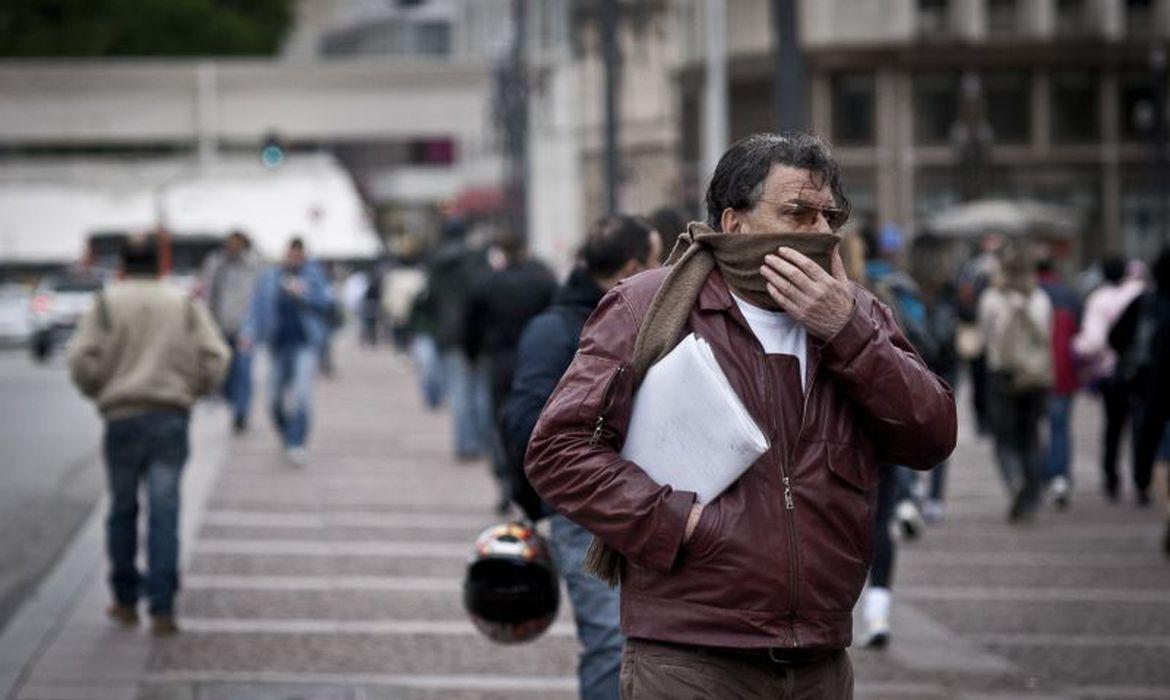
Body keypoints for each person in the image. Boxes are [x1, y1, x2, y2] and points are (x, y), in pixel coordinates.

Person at [525, 132, 957, 698]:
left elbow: (931, 434)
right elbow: (558, 450)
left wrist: (849, 333)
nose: (822, 232)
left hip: (820, 657)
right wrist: (679, 523)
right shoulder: (648, 306)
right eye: (797, 213)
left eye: (831, 216)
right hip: (691, 655)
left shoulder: (860, 311)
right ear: (733, 223)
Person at [502, 215, 661, 700]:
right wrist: (546, 499)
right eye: (659, 263)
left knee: (648, 645)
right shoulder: (556, 330)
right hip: (586, 510)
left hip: (645, 503)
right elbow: (524, 424)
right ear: (633, 268)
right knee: (612, 643)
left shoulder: (644, 320)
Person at [67, 237, 230, 636]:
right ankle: (162, 606)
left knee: (122, 509)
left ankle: (124, 601)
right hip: (170, 416)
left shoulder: (107, 303)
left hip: (122, 416)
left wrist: (99, 391)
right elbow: (217, 356)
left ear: (122, 266)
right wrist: (195, 390)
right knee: (166, 511)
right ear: (159, 266)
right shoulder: (182, 304)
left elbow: (79, 357)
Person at [464, 231, 558, 513]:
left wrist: (472, 354)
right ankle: (533, 479)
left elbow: (471, 324)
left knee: (500, 423)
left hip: (499, 359)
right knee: (536, 419)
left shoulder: (489, 283)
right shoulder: (544, 282)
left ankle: (505, 479)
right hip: (536, 358)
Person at [241, 238, 335, 467]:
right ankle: (286, 433)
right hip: (277, 344)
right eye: (290, 255)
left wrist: (303, 293)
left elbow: (327, 305)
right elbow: (256, 306)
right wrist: (249, 332)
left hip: (304, 343)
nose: (293, 259)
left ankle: (297, 441)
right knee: (273, 399)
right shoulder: (270, 276)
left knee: (302, 395)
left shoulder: (314, 276)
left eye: (298, 256)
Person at [978, 242, 1053, 522]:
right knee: (1031, 436)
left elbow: (985, 339)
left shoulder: (991, 298)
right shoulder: (1040, 298)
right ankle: (1032, 494)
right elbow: (1046, 336)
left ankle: (1014, 482)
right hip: (1035, 376)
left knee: (1004, 438)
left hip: (1003, 375)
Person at [1073, 257, 1146, 502]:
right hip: (1141, 372)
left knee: (1113, 427)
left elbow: (1092, 340)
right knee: (1140, 427)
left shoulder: (1099, 299)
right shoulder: (1140, 293)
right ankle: (1141, 480)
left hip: (1110, 373)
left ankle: (1111, 478)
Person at [1109, 248, 1170, 513]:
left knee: (1146, 434)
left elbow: (1115, 337)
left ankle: (1146, 484)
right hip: (1150, 382)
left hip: (1150, 383)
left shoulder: (1147, 302)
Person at [425, 219, 492, 460]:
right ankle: (485, 441)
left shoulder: (435, 261)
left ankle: (466, 443)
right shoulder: (477, 258)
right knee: (481, 390)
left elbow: (430, 298)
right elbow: (485, 292)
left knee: (458, 390)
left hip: (448, 334)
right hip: (477, 332)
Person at [200, 230, 261, 433]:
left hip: (245, 327)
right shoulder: (215, 263)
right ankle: (230, 401)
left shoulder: (252, 265)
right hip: (219, 325)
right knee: (224, 371)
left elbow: (258, 297)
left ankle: (241, 413)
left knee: (243, 371)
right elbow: (207, 292)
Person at [1036, 258, 1081, 509]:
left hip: (1036, 372)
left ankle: (1043, 477)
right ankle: (1060, 477)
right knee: (1060, 427)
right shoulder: (1069, 295)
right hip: (1064, 372)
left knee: (1036, 428)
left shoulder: (1031, 295)